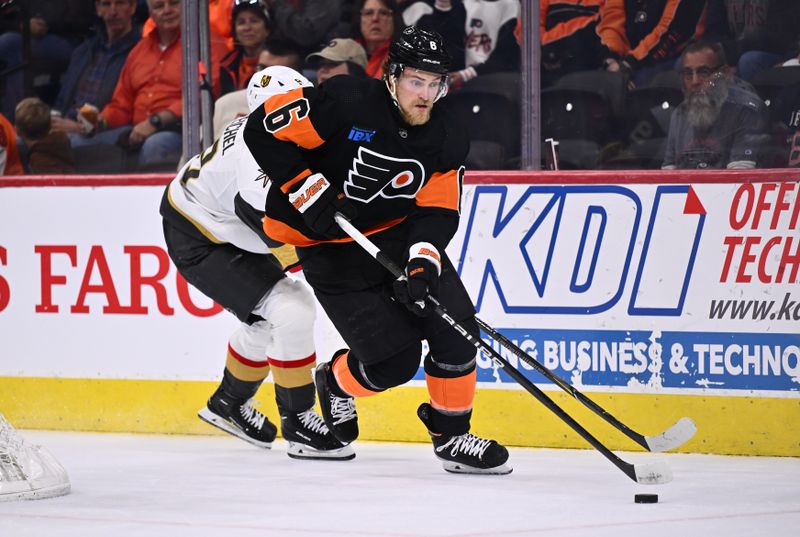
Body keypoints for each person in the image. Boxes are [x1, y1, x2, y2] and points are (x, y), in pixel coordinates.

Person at [243, 26, 511, 474]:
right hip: (327, 243)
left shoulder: (447, 133)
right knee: (392, 364)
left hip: (397, 234)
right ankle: (335, 382)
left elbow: (439, 211)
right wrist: (304, 187)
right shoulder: (345, 102)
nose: (426, 94)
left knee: (458, 331)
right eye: (415, 81)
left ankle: (453, 437)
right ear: (391, 77)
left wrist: (423, 263)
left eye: (435, 83)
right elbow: (262, 130)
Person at [160, 65, 354, 461]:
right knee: (291, 308)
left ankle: (227, 404)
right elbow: (278, 236)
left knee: (269, 317)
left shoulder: (271, 135)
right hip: (198, 234)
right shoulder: (256, 167)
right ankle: (299, 421)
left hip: (212, 219)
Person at [69, 0, 229, 171]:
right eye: (159, 6)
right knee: (76, 141)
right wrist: (101, 121)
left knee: (155, 144)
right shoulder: (139, 50)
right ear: (151, 13)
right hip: (136, 130)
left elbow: (204, 95)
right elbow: (122, 104)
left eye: (174, 4)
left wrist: (155, 121)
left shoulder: (206, 43)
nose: (167, 11)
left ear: (188, 7)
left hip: (186, 132)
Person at [662, 40, 768, 170]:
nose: (695, 81)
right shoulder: (679, 114)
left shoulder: (746, 110)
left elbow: (740, 179)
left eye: (703, 72)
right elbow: (667, 175)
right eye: (688, 73)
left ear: (725, 73)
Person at [50, 0, 141, 136]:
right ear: (98, 9)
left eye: (120, 3)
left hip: (104, 129)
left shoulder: (141, 51)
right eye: (106, 4)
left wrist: (82, 127)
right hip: (67, 124)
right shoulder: (83, 51)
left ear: (132, 7)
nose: (113, 12)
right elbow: (62, 101)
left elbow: (127, 109)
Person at [403, 0, 521, 89]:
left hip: (493, 80)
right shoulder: (460, 4)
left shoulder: (511, 5)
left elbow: (507, 56)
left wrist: (467, 74)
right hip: (459, 83)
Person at [597, 0, 707, 88]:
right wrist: (612, 56)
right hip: (628, 58)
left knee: (640, 90)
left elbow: (670, 30)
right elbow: (612, 21)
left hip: (672, 56)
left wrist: (629, 63)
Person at [218, 0, 272, 95]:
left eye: (254, 21)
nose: (247, 28)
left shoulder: (279, 62)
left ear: (267, 29)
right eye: (241, 22)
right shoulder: (226, 65)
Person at [15, 97, 74, 174]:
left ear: (18, 131)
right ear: (50, 125)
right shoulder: (62, 141)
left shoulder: (38, 160)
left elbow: (50, 184)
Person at [352, 0, 402, 78]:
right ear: (359, 19)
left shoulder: (403, 57)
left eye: (383, 13)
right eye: (368, 13)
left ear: (394, 19)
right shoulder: (346, 52)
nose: (375, 18)